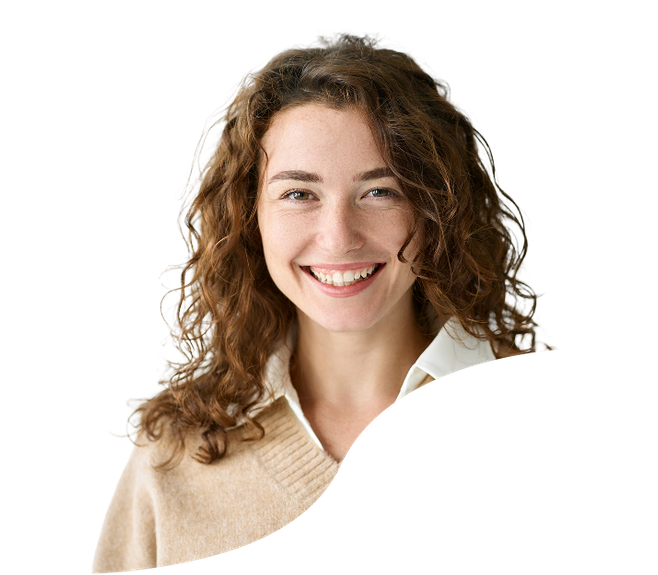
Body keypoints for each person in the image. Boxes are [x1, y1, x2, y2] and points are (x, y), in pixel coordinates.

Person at [90, 30, 557, 573]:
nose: (338, 238)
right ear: (250, 216)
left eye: (380, 191)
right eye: (299, 194)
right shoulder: (169, 460)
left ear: (434, 210)